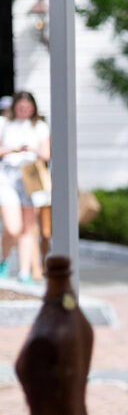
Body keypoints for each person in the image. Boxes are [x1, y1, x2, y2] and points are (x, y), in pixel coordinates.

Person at [0, 91, 50, 283]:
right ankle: (4, 259)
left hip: (30, 177)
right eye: (20, 107)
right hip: (8, 177)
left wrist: (32, 149)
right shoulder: (4, 124)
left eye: (27, 107)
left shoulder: (39, 127)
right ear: (14, 107)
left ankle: (24, 272)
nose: (24, 110)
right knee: (13, 228)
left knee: (28, 229)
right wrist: (14, 149)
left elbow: (46, 154)